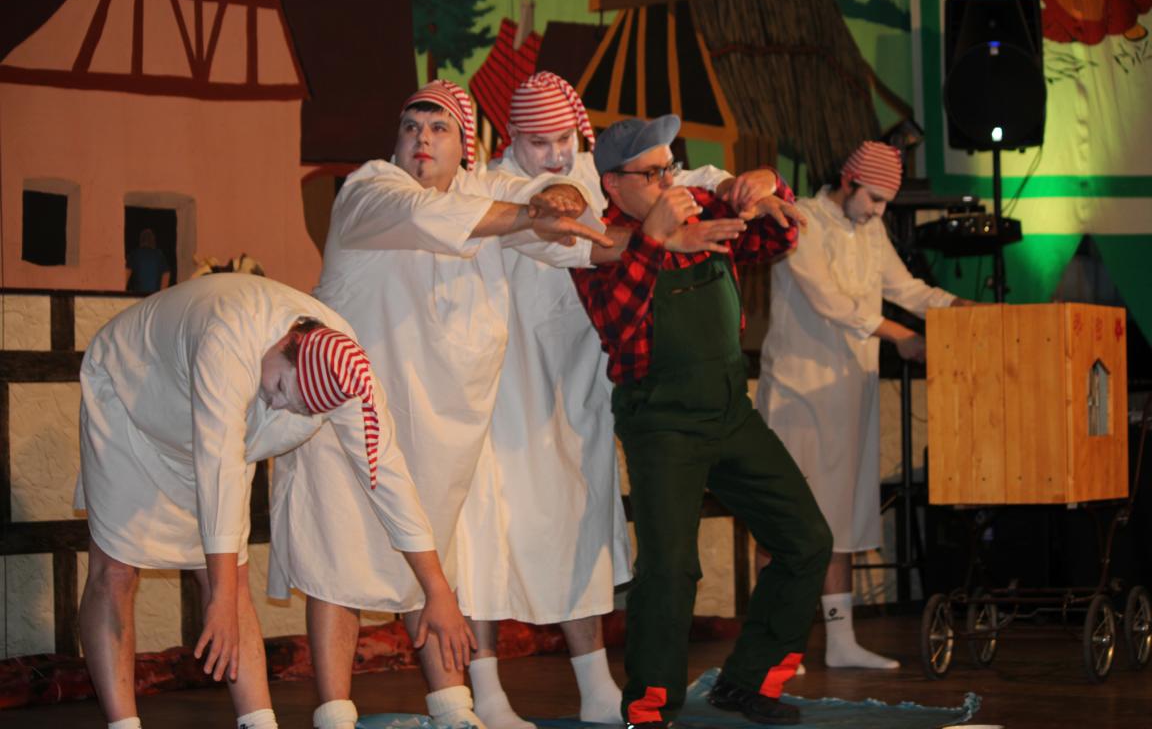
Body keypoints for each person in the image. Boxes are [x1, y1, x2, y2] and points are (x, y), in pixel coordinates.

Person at [268, 80, 611, 729]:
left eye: (438, 128)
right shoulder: (370, 191)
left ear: (465, 149)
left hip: (430, 433)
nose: (421, 139)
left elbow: (562, 222)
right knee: (337, 565)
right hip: (341, 417)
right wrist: (533, 211)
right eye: (411, 127)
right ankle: (334, 717)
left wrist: (584, 209)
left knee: (426, 571)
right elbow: (448, 218)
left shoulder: (482, 198)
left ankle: (455, 710)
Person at [467, 71, 785, 727]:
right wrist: (647, 233)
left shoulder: (596, 172)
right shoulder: (490, 187)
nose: (555, 154)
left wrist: (748, 182)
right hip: (507, 391)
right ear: (511, 137)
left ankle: (596, 688)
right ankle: (487, 693)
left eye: (564, 139)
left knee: (582, 529)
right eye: (538, 143)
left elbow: (689, 179)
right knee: (486, 539)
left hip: (584, 385)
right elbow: (564, 227)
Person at [74, 273, 469, 729]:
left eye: (298, 409)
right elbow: (219, 465)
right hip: (130, 396)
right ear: (289, 340)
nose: (278, 406)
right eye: (282, 388)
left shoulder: (345, 371)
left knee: (231, 579)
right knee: (117, 569)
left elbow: (388, 477)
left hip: (213, 433)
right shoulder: (230, 336)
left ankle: (258, 723)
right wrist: (220, 598)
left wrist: (437, 590)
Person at [571, 114, 832, 728]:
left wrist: (768, 186)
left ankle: (749, 682)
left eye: (670, 167)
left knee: (806, 539)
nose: (669, 181)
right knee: (670, 569)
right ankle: (649, 709)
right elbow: (616, 325)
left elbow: (779, 238)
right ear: (613, 183)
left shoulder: (703, 209)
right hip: (661, 423)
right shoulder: (596, 243)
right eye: (651, 173)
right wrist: (656, 241)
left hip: (731, 412)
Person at [754, 141, 970, 670]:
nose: (878, 211)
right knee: (784, 519)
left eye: (885, 203)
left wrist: (959, 308)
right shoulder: (801, 218)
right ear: (848, 181)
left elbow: (906, 288)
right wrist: (901, 336)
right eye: (873, 198)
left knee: (841, 516)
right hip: (798, 394)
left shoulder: (870, 229)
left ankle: (842, 641)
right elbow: (828, 300)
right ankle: (775, 645)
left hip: (851, 393)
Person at [125, 228, 170, 293]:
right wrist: (161, 294)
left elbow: (126, 275)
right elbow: (166, 275)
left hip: (138, 295)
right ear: (153, 240)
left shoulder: (135, 254)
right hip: (154, 295)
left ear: (141, 240)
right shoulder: (159, 255)